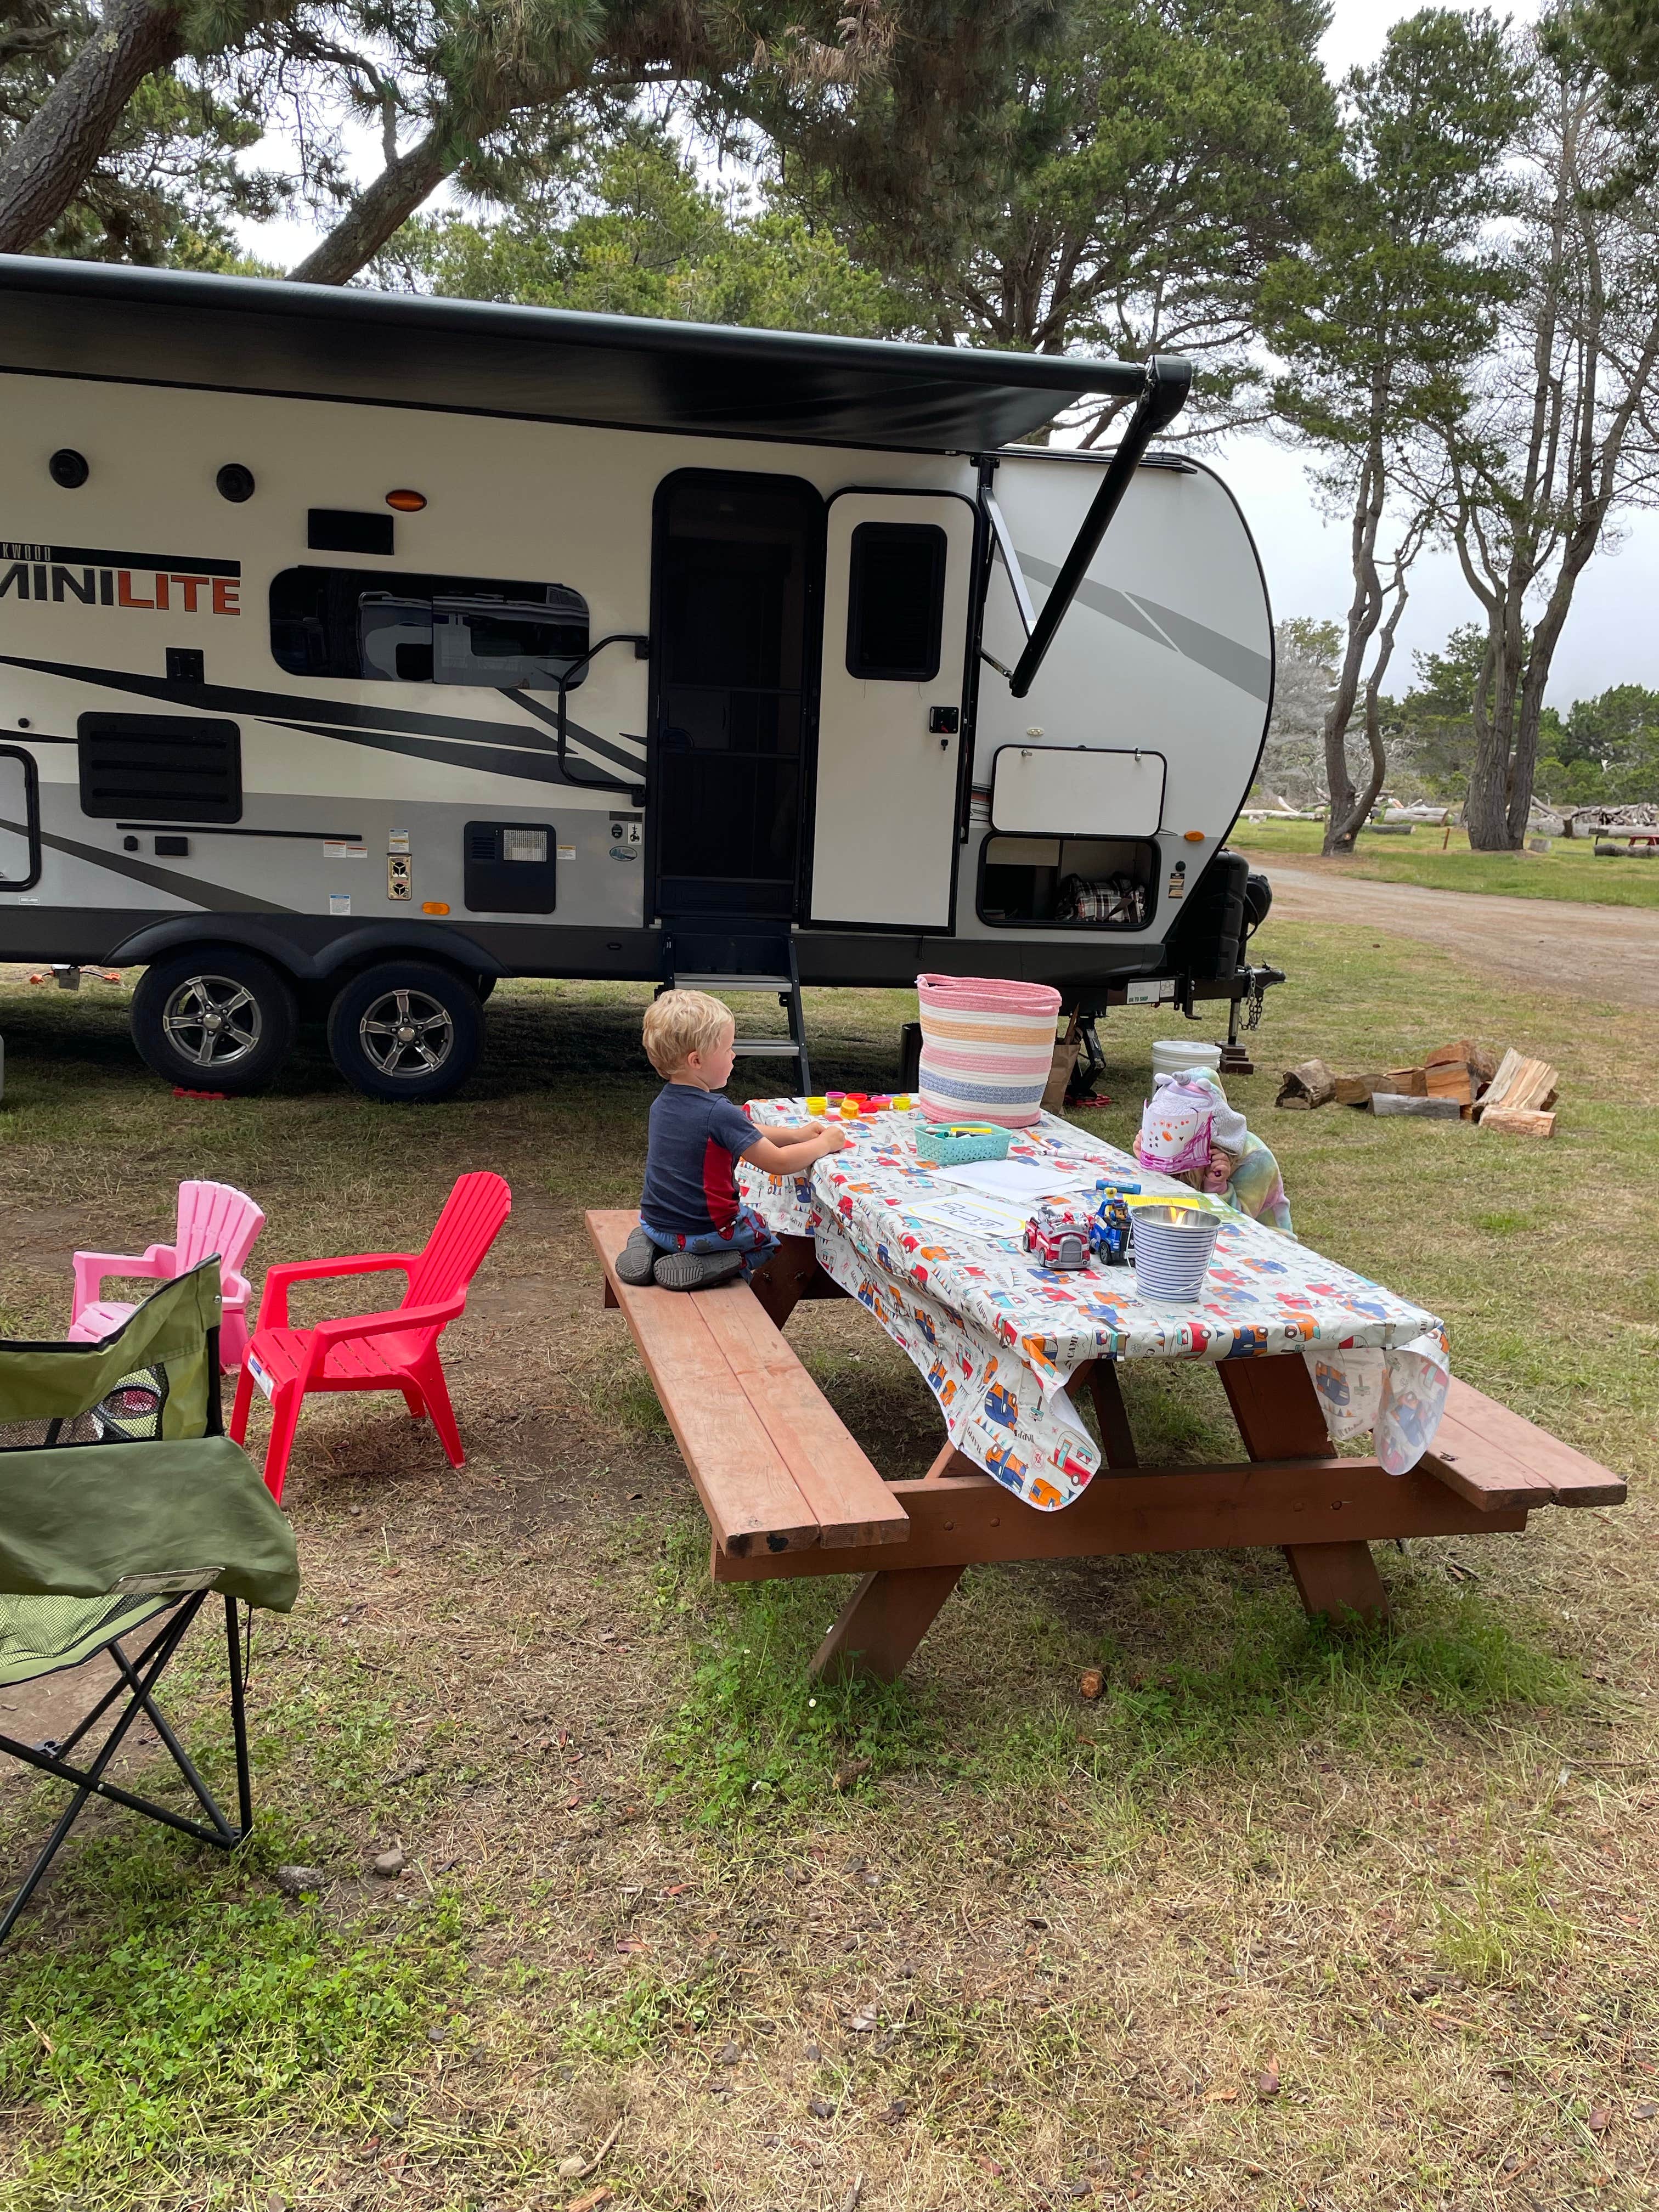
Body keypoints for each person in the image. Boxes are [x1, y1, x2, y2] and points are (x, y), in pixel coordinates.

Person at [616, 989, 848, 1291]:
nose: (734, 1055)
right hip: (706, 1233)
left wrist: (795, 1135)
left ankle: (648, 1243)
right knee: (765, 1238)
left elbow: (742, 1133)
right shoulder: (717, 1112)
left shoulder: (663, 1104)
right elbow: (777, 1163)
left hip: (655, 1223)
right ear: (697, 1060)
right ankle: (707, 1264)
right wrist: (824, 1144)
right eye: (727, 1049)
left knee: (669, 1229)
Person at [1134, 1066, 1294, 1234]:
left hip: (1264, 1238)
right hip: (1194, 1227)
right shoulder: (1185, 1151)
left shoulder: (1256, 1160)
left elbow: (1239, 1225)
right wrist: (1149, 1158)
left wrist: (1218, 1189)